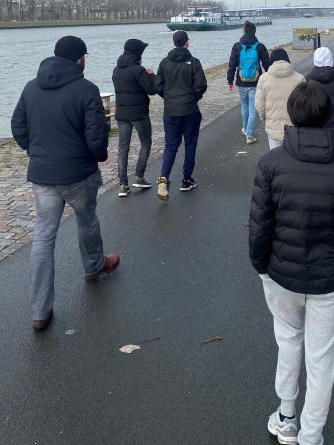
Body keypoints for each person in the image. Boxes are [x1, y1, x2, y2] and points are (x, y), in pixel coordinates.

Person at [249, 80, 334, 445]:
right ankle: (312, 434)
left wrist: (261, 266)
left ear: (292, 114)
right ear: (327, 115)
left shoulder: (270, 164)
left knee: (288, 342)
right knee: (322, 358)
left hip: (281, 273)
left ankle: (286, 417)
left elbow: (260, 224)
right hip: (330, 276)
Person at [11, 36, 119, 332]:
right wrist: (98, 155)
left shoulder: (31, 88)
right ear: (78, 59)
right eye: (85, 55)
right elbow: (97, 136)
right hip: (78, 174)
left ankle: (39, 311)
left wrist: (35, 152)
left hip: (43, 176)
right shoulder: (86, 90)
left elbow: (17, 126)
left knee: (44, 237)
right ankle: (94, 266)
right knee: (86, 220)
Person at [154, 30, 208, 199]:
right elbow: (201, 85)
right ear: (186, 42)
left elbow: (158, 85)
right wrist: (192, 98)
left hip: (171, 111)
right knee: (190, 144)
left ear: (174, 42)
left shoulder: (164, 63)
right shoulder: (193, 62)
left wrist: (169, 97)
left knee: (170, 146)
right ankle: (186, 180)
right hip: (190, 110)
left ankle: (164, 177)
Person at [112, 38, 156, 197]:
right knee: (146, 141)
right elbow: (151, 89)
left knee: (123, 148)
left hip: (121, 114)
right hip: (138, 113)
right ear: (138, 53)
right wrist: (151, 75)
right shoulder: (138, 70)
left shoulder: (116, 70)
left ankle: (123, 185)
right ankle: (139, 176)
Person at [227, 21, 270, 145]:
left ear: (244, 31)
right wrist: (269, 77)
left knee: (244, 106)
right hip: (256, 82)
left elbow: (232, 65)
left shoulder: (237, 46)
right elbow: (267, 64)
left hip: (241, 81)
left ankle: (246, 130)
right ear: (254, 32)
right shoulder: (260, 46)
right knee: (252, 108)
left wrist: (230, 81)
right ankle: (249, 135)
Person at [255, 48, 304, 149]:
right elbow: (304, 106)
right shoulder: (299, 79)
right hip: (294, 129)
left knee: (275, 160)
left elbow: (260, 105)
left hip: (273, 129)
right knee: (293, 161)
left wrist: (265, 120)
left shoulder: (263, 79)